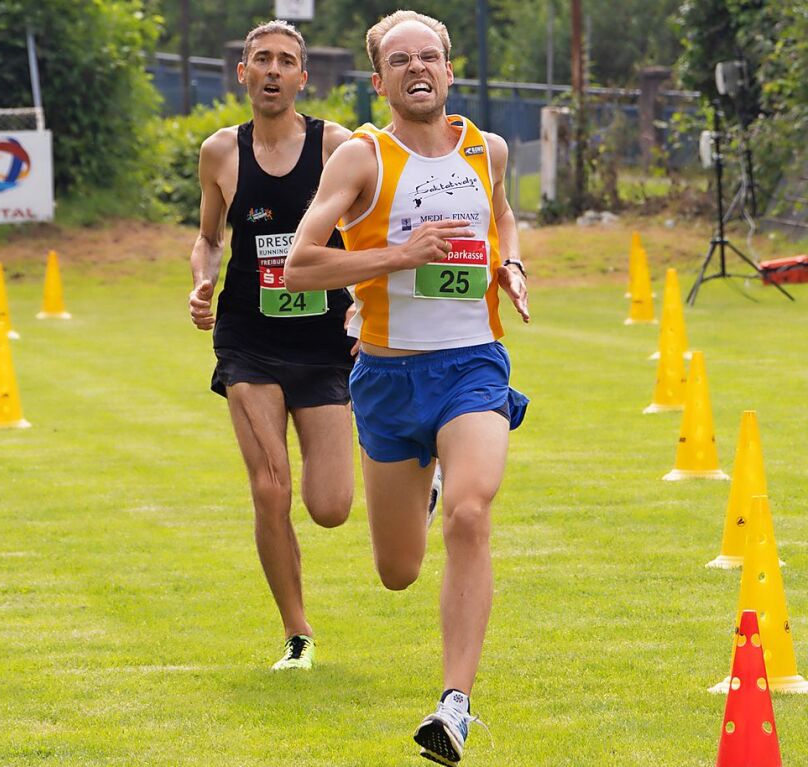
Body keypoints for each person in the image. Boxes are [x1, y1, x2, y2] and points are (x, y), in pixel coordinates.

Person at [286, 10, 530, 764]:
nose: (418, 68)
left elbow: (503, 218)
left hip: (471, 365)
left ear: (450, 72)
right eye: (401, 60)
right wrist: (396, 257)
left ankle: (454, 705)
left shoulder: (485, 150)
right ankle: (417, 490)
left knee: (470, 510)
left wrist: (511, 263)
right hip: (389, 376)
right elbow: (299, 265)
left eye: (431, 57)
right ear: (380, 80)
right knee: (398, 571)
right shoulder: (362, 159)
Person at [187, 20, 356, 671]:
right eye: (262, 59)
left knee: (331, 506)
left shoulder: (336, 145)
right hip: (248, 341)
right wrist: (201, 280)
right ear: (243, 71)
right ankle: (297, 632)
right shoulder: (220, 154)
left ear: (303, 78)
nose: (274, 70)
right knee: (269, 487)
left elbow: (367, 232)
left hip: (324, 340)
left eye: (287, 60)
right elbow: (208, 237)